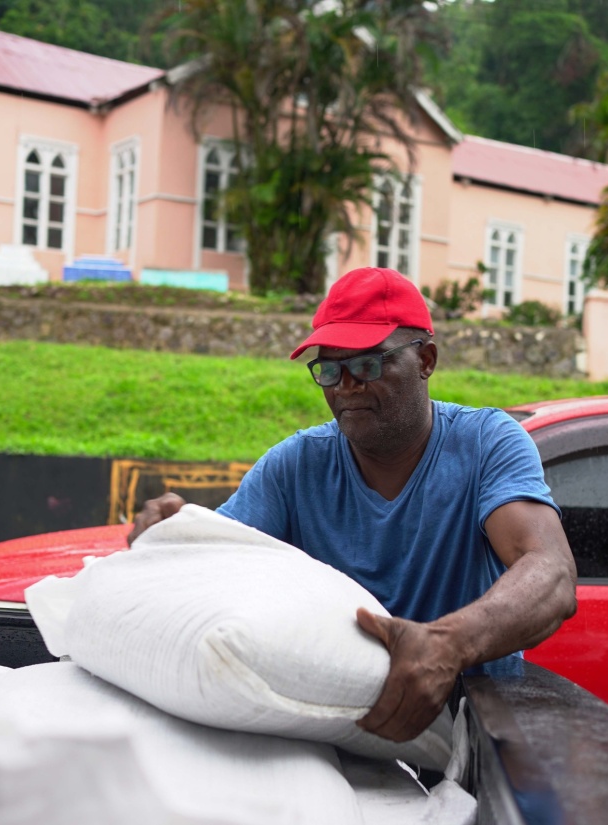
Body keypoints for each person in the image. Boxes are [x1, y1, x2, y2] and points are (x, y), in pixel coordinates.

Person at [128, 266, 576, 744]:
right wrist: (170, 540)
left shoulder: (486, 443)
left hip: (474, 743)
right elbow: (219, 562)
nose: (345, 386)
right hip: (341, 740)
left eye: (368, 364)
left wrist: (447, 646)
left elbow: (550, 571)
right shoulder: (295, 466)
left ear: (425, 359)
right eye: (330, 369)